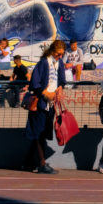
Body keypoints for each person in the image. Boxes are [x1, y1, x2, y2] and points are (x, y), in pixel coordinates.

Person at [23, 40, 67, 174]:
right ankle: (42, 163)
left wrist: (59, 89)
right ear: (52, 51)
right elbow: (35, 83)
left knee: (40, 133)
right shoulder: (43, 63)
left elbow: (61, 81)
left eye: (61, 54)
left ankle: (28, 163)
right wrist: (46, 93)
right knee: (39, 133)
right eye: (58, 54)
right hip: (42, 104)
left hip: (51, 105)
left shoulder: (58, 63)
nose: (60, 56)